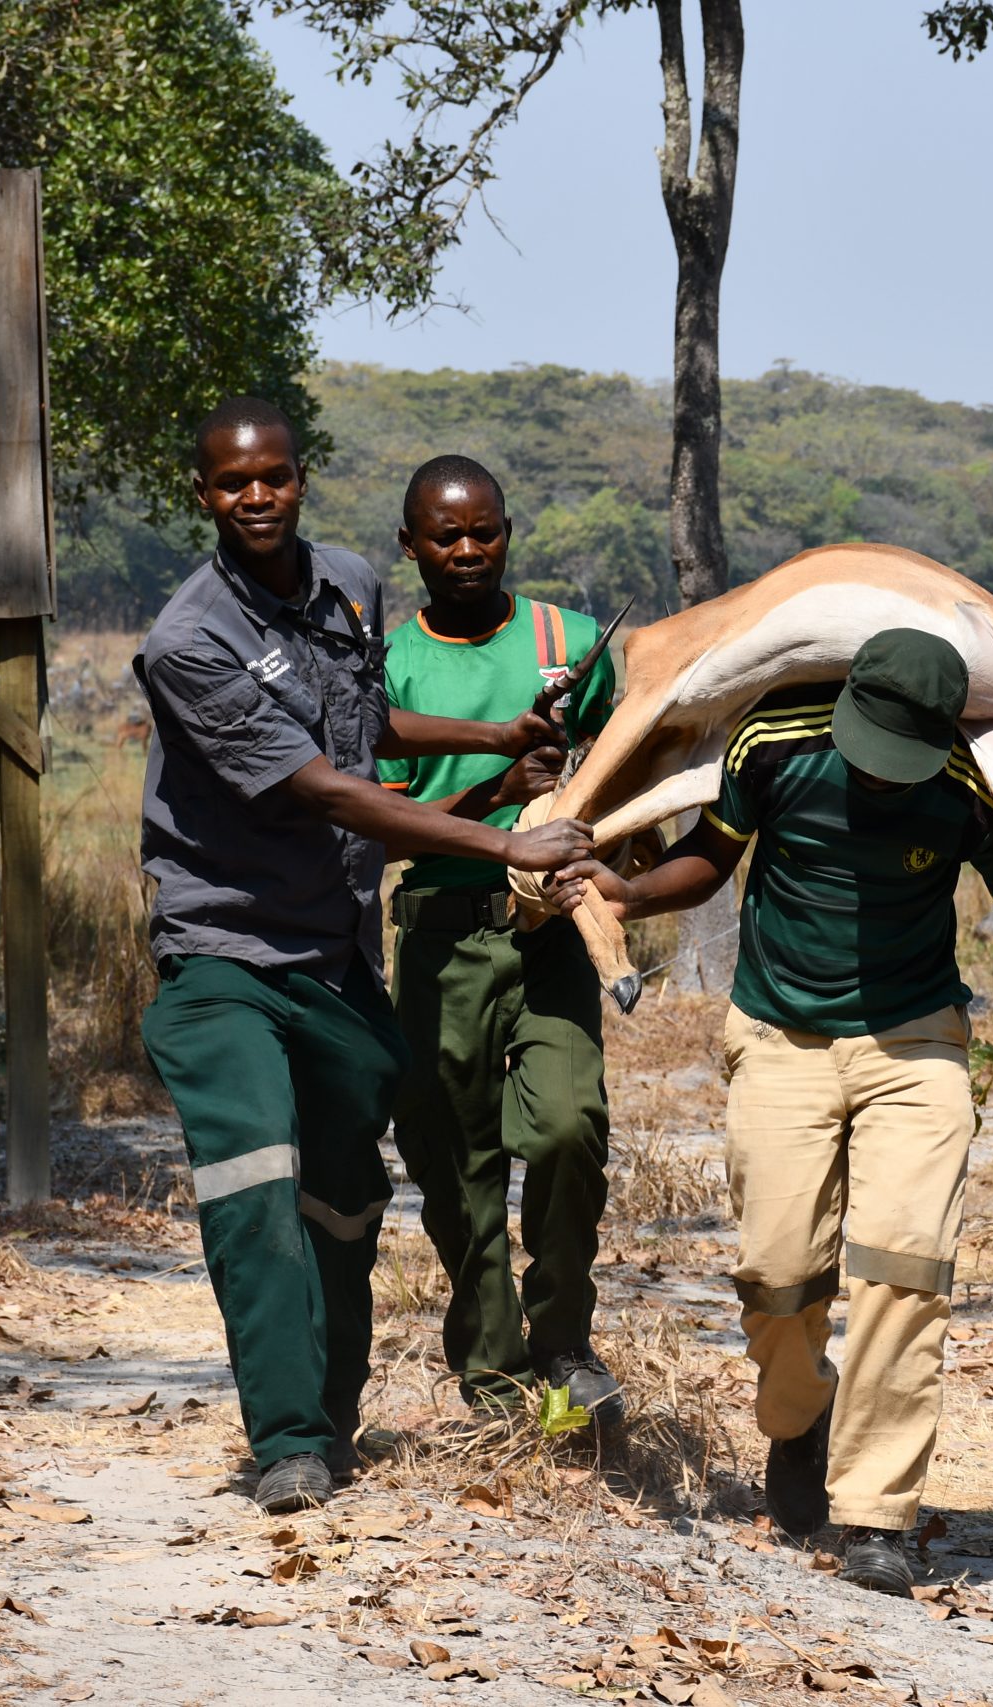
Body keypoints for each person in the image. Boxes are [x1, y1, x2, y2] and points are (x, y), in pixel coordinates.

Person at [549, 629, 993, 1597]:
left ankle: (876, 1512)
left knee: (904, 1274)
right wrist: (629, 892)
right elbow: (709, 858)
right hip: (781, 1036)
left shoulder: (965, 781)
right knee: (778, 1273)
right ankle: (797, 1420)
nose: (881, 778)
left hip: (915, 1045)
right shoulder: (772, 744)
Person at [135, 399, 592, 1515]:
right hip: (223, 952)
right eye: (231, 482)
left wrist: (498, 739)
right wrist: (503, 840)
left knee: (344, 1201)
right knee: (253, 1182)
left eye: (273, 477)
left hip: (334, 957)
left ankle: (328, 1421)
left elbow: (365, 724)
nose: (255, 496)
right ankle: (285, 1439)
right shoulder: (186, 642)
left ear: (300, 480)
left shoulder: (344, 583)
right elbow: (325, 788)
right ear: (202, 494)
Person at [377, 455, 625, 1424]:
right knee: (455, 1163)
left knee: (568, 1127)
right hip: (442, 935)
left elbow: (624, 767)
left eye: (486, 531)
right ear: (411, 548)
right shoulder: (392, 665)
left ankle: (563, 1338)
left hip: (554, 933)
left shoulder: (569, 640)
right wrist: (500, 798)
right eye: (447, 536)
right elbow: (389, 827)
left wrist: (597, 851)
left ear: (508, 531)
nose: (469, 550)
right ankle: (493, 1373)